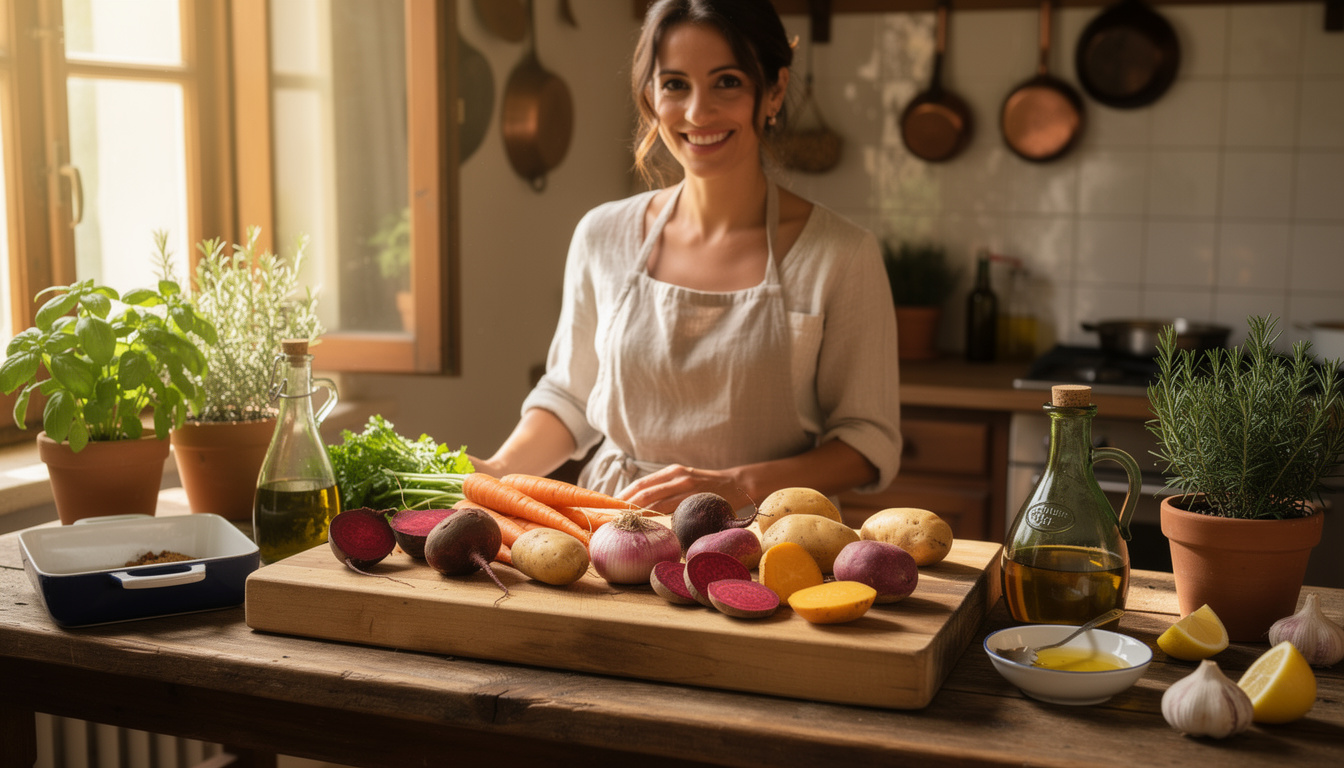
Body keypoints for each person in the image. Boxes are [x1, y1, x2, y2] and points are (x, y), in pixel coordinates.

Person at [471, 0, 901, 514]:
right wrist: (498, 471)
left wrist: (738, 484)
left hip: (768, 536)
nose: (698, 113)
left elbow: (867, 441)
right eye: (675, 84)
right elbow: (572, 396)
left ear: (775, 90)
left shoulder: (841, 255)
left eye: (727, 82)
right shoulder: (602, 235)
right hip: (612, 528)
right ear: (650, 96)